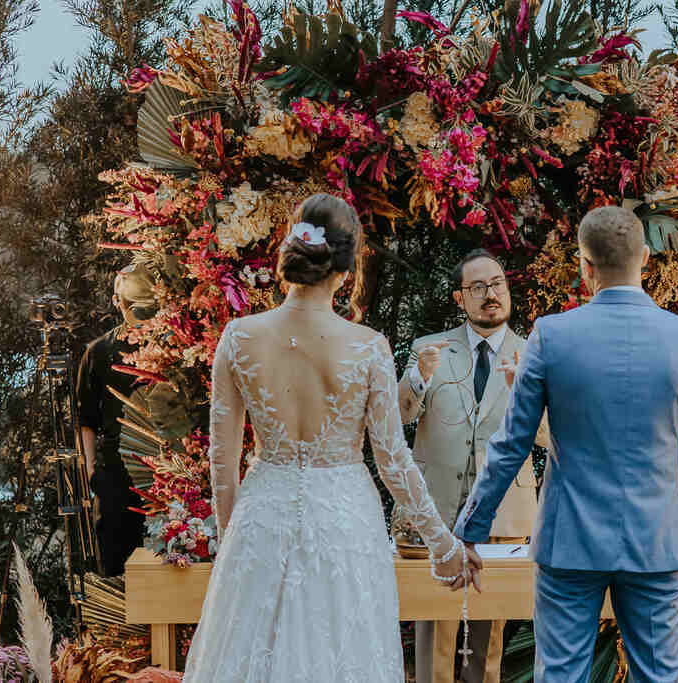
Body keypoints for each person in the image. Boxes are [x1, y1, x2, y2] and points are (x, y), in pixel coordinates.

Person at [182, 194, 482, 682]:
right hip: (345, 523)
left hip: (262, 516)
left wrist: (234, 541)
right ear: (347, 264)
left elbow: (223, 457)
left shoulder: (238, 337)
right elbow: (393, 462)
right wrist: (442, 543)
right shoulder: (368, 347)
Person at [453, 205, 678, 682]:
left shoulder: (551, 336)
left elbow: (511, 443)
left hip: (569, 541)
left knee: (560, 676)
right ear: (645, 259)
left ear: (585, 265)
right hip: (657, 543)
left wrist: (470, 528)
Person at [399, 249, 550, 683]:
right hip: (439, 509)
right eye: (478, 287)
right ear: (458, 297)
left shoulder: (534, 354)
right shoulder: (428, 348)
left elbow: (549, 437)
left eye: (498, 283)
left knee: (490, 640)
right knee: (436, 631)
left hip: (505, 512)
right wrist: (418, 378)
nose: (490, 294)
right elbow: (401, 415)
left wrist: (525, 393)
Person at [77, 263, 156, 576]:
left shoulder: (171, 345)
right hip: (115, 473)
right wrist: (92, 473)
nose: (136, 315)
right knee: (117, 561)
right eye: (128, 306)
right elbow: (86, 421)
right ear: (116, 302)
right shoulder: (97, 353)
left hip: (169, 472)